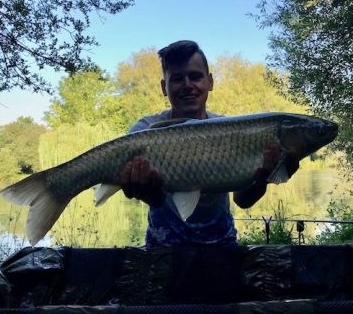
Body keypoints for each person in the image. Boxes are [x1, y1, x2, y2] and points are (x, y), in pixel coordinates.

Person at [120, 40, 299, 247]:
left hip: (222, 246)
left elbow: (242, 201)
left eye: (195, 76)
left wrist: (262, 180)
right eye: (177, 79)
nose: (188, 85)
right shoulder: (145, 130)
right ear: (164, 87)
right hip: (162, 248)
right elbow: (157, 200)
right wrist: (149, 194)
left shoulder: (231, 130)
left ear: (210, 81)